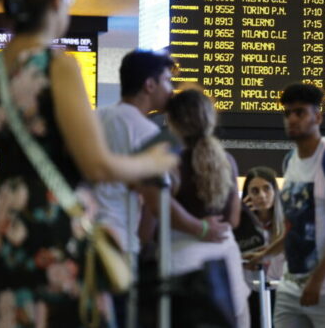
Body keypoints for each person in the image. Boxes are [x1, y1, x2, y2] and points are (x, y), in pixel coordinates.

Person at [0, 0, 177, 327]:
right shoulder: (58, 65)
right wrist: (154, 162)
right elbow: (96, 164)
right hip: (48, 218)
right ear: (55, 0)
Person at [94, 50, 229, 328]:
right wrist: (201, 228)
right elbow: (157, 201)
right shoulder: (147, 134)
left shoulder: (95, 119)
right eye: (167, 81)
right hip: (119, 244)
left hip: (87, 240)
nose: (171, 90)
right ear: (149, 84)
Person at [249, 83, 325, 328]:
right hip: (292, 283)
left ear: (318, 116)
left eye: (300, 112)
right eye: (287, 113)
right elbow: (297, 226)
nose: (292, 119)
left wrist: (318, 279)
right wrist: (266, 253)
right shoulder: (291, 161)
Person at [165, 88, 250, 327]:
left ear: (172, 122)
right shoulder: (228, 162)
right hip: (227, 271)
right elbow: (233, 220)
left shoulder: (170, 165)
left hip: (183, 270)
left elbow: (155, 218)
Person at [240, 166, 286, 327]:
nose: (262, 196)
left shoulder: (287, 222)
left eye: (267, 188)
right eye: (255, 191)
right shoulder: (239, 223)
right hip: (248, 292)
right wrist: (243, 220)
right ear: (247, 195)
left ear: (275, 191)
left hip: (280, 292)